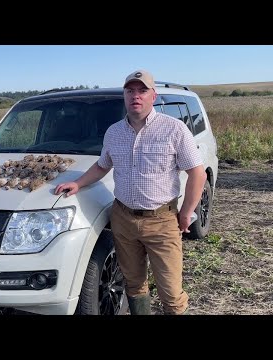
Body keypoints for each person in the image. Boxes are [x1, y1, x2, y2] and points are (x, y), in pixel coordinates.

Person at [54, 69, 206, 315]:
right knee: (134, 284)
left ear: (153, 96)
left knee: (171, 291)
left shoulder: (174, 129)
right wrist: (79, 183)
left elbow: (197, 173)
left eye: (142, 90)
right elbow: (103, 165)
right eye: (130, 90)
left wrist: (187, 211)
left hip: (162, 221)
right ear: (124, 96)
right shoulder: (114, 132)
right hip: (123, 219)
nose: (136, 95)